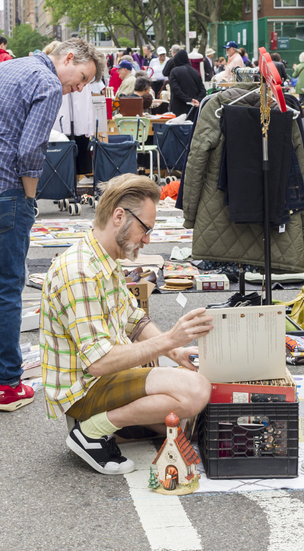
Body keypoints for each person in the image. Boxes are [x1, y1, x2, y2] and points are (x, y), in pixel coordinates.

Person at [0, 37, 103, 415]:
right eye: (81, 77)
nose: (78, 87)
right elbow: (31, 151)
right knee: (7, 290)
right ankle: (10, 385)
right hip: (1, 191)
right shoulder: (46, 83)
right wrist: (29, 198)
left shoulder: (2, 68)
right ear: (67, 58)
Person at [39, 174, 213, 475]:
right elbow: (100, 362)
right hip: (85, 390)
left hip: (108, 376)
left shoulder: (103, 257)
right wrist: (171, 340)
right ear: (119, 216)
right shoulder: (80, 271)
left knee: (184, 420)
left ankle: (116, 424)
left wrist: (177, 353)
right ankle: (92, 430)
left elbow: (134, 319)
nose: (147, 239)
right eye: (145, 229)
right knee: (196, 392)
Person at [164, 49, 205, 116]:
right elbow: (202, 90)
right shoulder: (195, 72)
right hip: (193, 109)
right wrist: (196, 100)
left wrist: (188, 100)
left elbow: (176, 89)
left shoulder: (174, 72)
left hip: (178, 108)